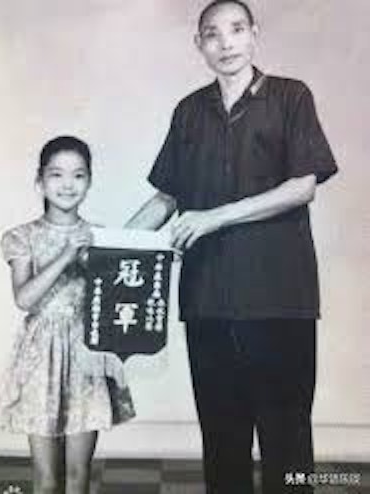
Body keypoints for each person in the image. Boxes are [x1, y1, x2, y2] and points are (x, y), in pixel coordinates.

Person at [125, 1, 338, 493]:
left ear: (254, 34)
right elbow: (167, 197)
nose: (226, 43)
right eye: (213, 34)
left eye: (237, 30)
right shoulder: (189, 111)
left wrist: (214, 216)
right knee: (222, 440)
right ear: (198, 45)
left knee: (287, 440)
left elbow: (302, 186)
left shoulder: (290, 96)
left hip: (279, 299)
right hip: (207, 300)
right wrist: (106, 248)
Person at [0, 135, 135, 494]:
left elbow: (122, 290)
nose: (68, 184)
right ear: (40, 181)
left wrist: (155, 260)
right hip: (41, 360)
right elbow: (25, 298)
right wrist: (66, 255)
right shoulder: (22, 236)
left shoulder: (100, 237)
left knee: (78, 474)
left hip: (87, 357)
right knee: (45, 479)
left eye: (78, 175)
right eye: (56, 174)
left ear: (89, 181)